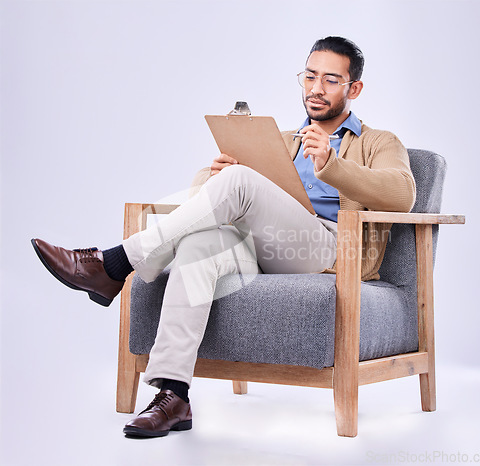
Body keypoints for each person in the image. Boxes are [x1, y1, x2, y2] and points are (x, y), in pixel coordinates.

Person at [32, 36, 416, 438]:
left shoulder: (379, 142)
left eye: (331, 80)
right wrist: (212, 176)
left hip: (331, 249)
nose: (316, 88)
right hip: (264, 247)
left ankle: (113, 263)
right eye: (310, 76)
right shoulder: (283, 139)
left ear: (353, 89)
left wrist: (332, 164)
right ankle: (173, 395)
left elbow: (403, 194)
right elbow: (214, 199)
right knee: (198, 247)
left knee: (237, 184)